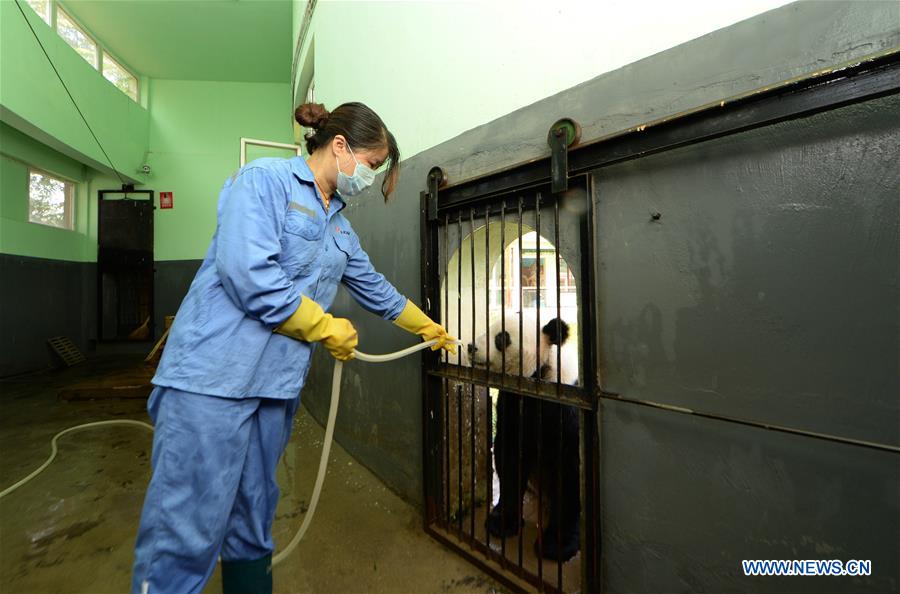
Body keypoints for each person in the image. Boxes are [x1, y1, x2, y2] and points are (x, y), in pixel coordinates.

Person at [131, 102, 456, 594]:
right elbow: (247, 273)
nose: (369, 178)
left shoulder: (340, 226)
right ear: (340, 146)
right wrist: (322, 326)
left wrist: (428, 327)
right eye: (371, 165)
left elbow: (374, 287)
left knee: (253, 513)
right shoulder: (263, 182)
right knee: (186, 524)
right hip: (211, 379)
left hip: (274, 388)